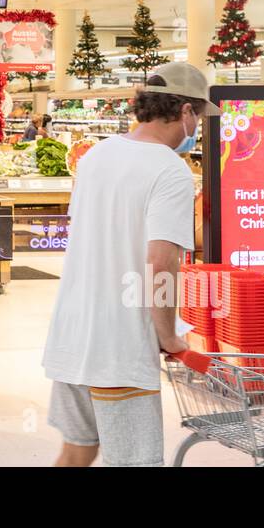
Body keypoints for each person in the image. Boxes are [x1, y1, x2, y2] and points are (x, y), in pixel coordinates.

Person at [42, 62, 217, 467]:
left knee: (76, 451)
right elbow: (160, 262)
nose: (199, 127)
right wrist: (168, 335)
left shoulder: (96, 155)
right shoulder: (169, 169)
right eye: (200, 117)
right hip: (119, 349)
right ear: (186, 111)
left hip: (71, 336)